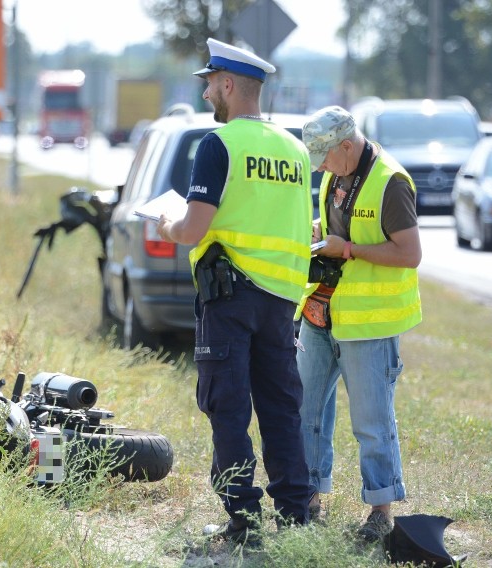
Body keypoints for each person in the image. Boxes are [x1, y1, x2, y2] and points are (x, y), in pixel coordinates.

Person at [156, 38, 314, 544]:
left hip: (230, 298)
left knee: (227, 407)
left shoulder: (219, 145)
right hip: (281, 299)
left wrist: (166, 222)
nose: (206, 96)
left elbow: (193, 229)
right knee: (280, 409)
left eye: (209, 85)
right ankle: (294, 517)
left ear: (228, 85)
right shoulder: (295, 148)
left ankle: (243, 523)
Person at [296, 105, 422, 543]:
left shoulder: (391, 182)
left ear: (346, 146)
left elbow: (409, 254)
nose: (322, 168)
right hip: (320, 311)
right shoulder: (338, 172)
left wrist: (346, 248)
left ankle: (380, 511)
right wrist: (320, 232)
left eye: (326, 158)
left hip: (368, 323)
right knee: (305, 409)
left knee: (371, 420)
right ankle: (308, 499)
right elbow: (339, 223)